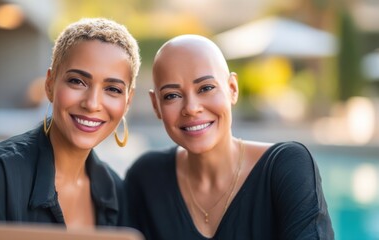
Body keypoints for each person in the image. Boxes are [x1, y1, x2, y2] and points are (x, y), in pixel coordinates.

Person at [124, 34, 334, 239]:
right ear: (156, 105)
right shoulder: (147, 178)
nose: (191, 108)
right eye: (172, 96)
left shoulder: (286, 167)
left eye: (206, 88)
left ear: (232, 89)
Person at [0, 18, 140, 229]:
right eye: (77, 81)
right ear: (49, 84)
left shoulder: (116, 190)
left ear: (128, 101)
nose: (92, 103)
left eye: (113, 89)